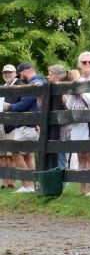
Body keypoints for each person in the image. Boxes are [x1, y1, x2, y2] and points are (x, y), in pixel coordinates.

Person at [64, 51, 90, 196]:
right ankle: (82, 189)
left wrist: (80, 90)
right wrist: (71, 92)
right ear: (79, 64)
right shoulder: (77, 80)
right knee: (80, 155)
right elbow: (70, 105)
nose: (87, 64)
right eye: (84, 62)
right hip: (77, 123)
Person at [2, 62, 47, 192]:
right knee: (27, 154)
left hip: (27, 125)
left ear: (25, 71)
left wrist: (7, 106)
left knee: (16, 153)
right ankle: (31, 185)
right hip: (29, 125)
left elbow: (23, 105)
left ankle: (26, 185)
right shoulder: (35, 82)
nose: (21, 77)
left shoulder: (34, 82)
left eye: (20, 74)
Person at [46, 64, 70, 170]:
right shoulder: (50, 88)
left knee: (61, 152)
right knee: (54, 152)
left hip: (63, 126)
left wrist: (62, 93)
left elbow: (68, 104)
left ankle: (62, 179)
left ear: (57, 76)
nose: (47, 77)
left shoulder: (65, 88)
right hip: (52, 125)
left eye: (50, 74)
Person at [1, 64, 19, 188]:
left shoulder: (19, 87)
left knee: (12, 154)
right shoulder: (1, 88)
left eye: (9, 72)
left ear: (15, 73)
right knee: (2, 155)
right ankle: (4, 182)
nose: (7, 74)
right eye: (5, 73)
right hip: (1, 124)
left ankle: (12, 182)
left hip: (13, 125)